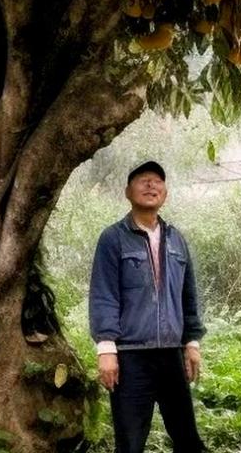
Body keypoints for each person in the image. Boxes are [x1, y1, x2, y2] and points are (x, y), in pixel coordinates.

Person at [89, 160, 206, 453]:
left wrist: (192, 343)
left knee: (188, 439)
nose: (151, 185)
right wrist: (106, 349)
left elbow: (188, 296)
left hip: (171, 355)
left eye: (157, 181)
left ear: (165, 193)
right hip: (130, 357)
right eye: (143, 180)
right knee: (130, 443)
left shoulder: (176, 239)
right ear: (128, 192)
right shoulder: (113, 238)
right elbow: (104, 294)